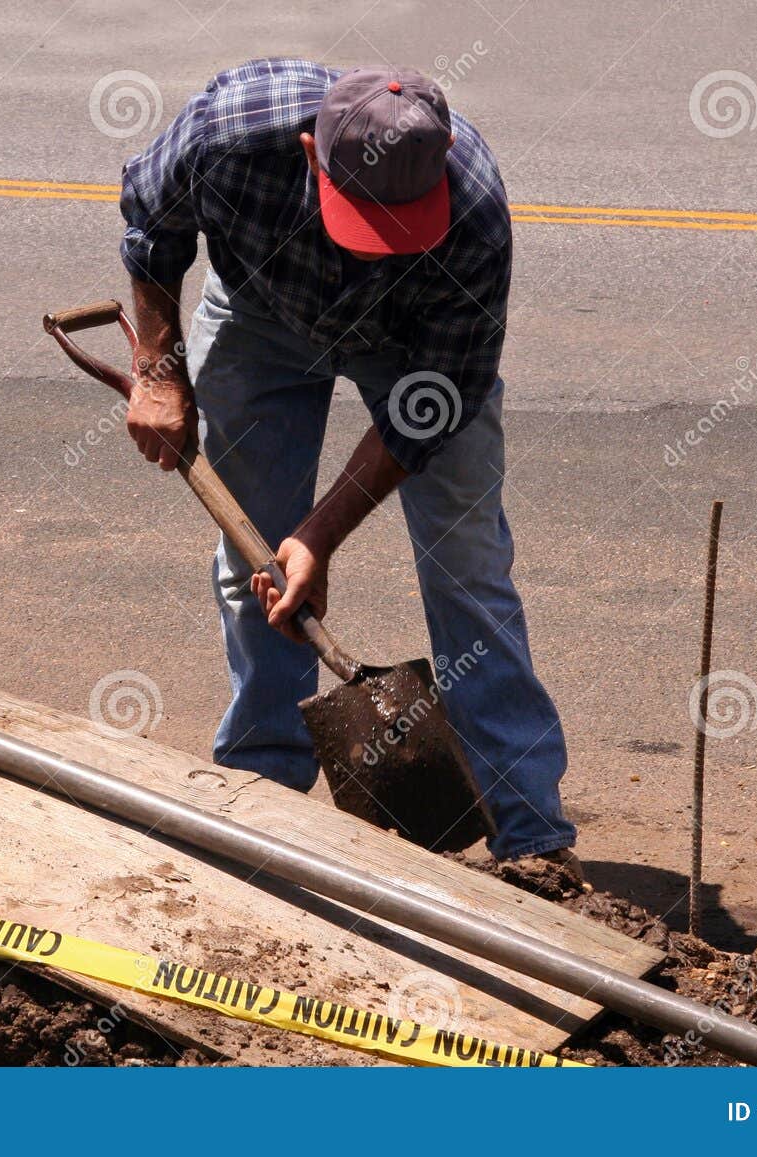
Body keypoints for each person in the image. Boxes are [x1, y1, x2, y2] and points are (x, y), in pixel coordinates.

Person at [117, 58, 582, 882]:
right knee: (254, 563)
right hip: (260, 311)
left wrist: (321, 534)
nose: (376, 252)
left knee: (468, 567)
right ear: (310, 153)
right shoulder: (231, 132)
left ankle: (531, 835)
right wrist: (157, 368)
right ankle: (264, 789)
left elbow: (431, 403)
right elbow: (153, 221)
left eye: (401, 229)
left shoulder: (473, 212)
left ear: (440, 170)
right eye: (364, 221)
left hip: (409, 346)